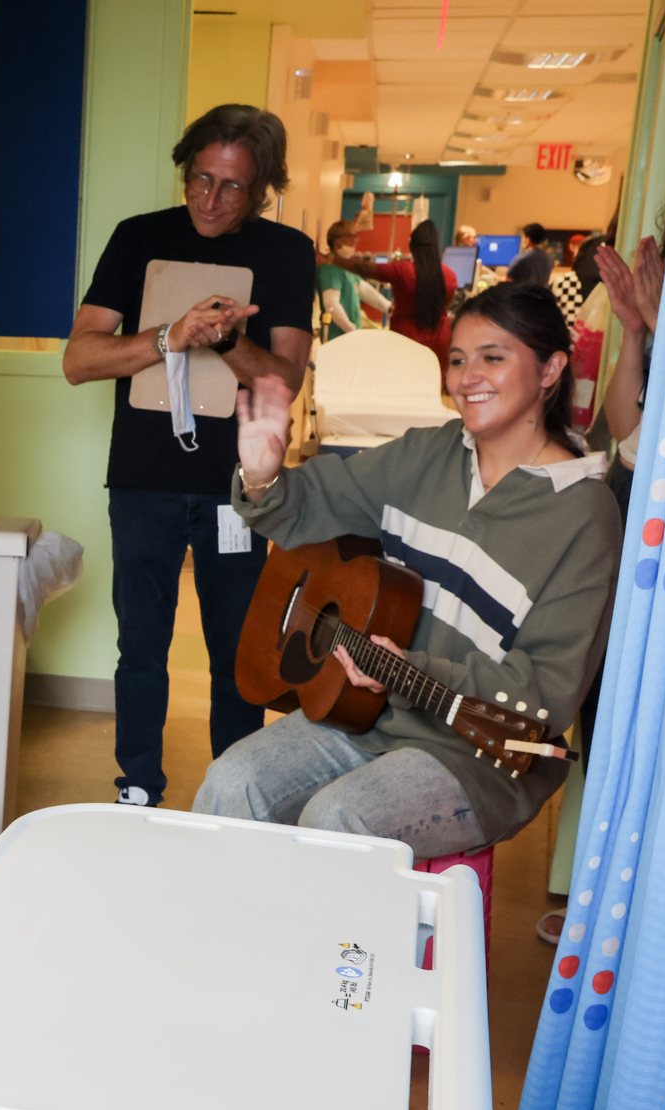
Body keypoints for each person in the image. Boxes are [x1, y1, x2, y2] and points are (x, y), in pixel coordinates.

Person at [191, 283, 622, 854]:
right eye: (458, 359)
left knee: (339, 819)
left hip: (481, 754)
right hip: (367, 714)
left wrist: (410, 669)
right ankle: (223, 940)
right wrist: (263, 473)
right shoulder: (427, 453)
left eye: (493, 357)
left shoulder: (586, 514)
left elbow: (546, 694)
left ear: (550, 369)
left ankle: (346, 952)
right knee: (232, 779)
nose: (468, 377)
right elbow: (300, 509)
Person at [64, 103, 316, 808]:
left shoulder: (287, 253)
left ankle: (235, 796)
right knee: (139, 648)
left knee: (237, 652)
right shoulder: (138, 239)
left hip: (236, 486)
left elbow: (284, 380)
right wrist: (170, 336)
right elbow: (79, 360)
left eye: (232, 187)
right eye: (200, 179)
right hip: (143, 481)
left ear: (260, 188)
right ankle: (137, 785)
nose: (210, 199)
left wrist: (227, 339)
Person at [325, 219, 461, 372]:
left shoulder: (403, 271)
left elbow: (366, 269)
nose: (354, 241)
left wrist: (331, 259)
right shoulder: (450, 276)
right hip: (439, 343)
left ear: (412, 247)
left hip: (405, 341)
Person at [316, 221, 391, 339]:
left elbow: (364, 289)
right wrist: (351, 330)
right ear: (337, 240)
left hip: (348, 337)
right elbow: (331, 304)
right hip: (337, 337)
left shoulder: (347, 267)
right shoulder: (330, 269)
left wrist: (388, 307)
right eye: (350, 236)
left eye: (356, 236)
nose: (355, 240)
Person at [508, 222, 555, 287]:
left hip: (523, 295)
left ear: (528, 239)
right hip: (542, 295)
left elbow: (508, 279)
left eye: (523, 237)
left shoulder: (522, 258)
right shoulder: (549, 258)